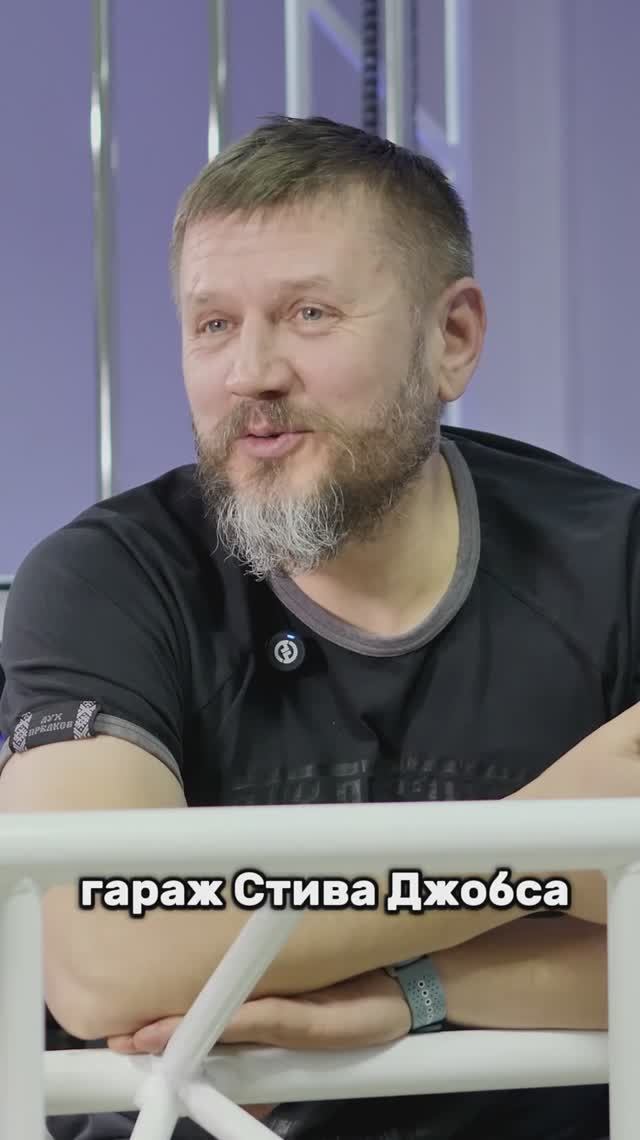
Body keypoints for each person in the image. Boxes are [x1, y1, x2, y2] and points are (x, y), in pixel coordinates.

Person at [1, 113, 638, 1140]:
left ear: (452, 338)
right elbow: (104, 950)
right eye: (214, 324)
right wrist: (540, 852)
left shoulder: (617, 565)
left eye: (308, 313)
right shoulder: (110, 581)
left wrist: (417, 989)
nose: (250, 372)